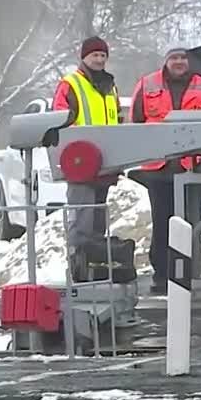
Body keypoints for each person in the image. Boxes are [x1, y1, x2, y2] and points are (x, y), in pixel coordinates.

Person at [127, 47, 201, 293]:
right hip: (158, 167)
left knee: (191, 221)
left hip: (193, 167)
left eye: (183, 58)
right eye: (174, 58)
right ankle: (163, 274)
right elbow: (135, 122)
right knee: (162, 222)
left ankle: (187, 270)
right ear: (166, 61)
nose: (179, 62)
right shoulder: (147, 84)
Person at [52, 36, 122, 264]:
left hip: (106, 162)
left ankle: (96, 263)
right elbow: (59, 119)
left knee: (99, 219)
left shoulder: (111, 86)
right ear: (84, 57)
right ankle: (78, 264)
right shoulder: (70, 84)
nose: (100, 59)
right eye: (95, 55)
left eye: (103, 55)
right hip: (80, 162)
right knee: (82, 218)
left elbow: (118, 120)